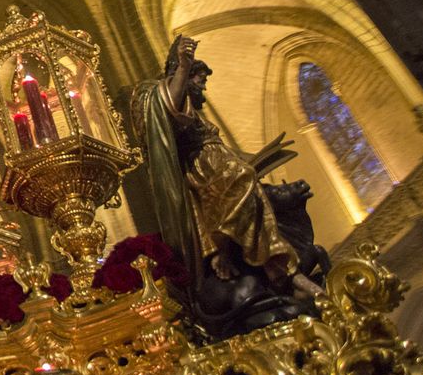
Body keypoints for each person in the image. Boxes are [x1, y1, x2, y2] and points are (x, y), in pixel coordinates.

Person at [130, 35, 321, 301]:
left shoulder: (195, 113)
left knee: (249, 181)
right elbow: (167, 111)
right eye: (200, 80)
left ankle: (282, 270)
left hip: (219, 164)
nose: (203, 87)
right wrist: (184, 66)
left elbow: (223, 149)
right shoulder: (155, 92)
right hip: (199, 171)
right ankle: (228, 255)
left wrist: (262, 156)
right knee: (241, 178)